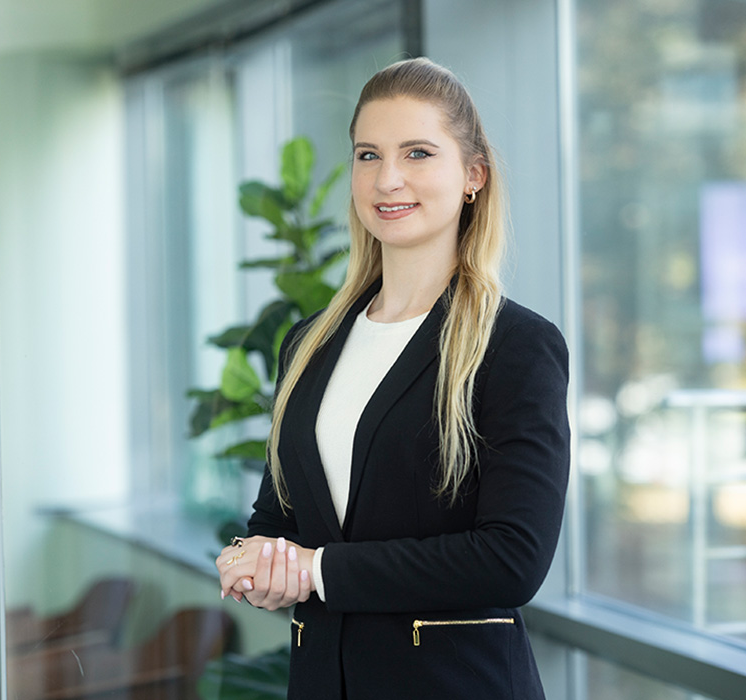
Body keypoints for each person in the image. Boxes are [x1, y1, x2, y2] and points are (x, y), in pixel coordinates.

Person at [215, 57, 569, 700]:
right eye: (368, 155)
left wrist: (317, 570)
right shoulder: (309, 344)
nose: (388, 179)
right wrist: (254, 559)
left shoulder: (516, 347)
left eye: (418, 153)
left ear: (473, 176)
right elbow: (278, 518)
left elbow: (512, 559)